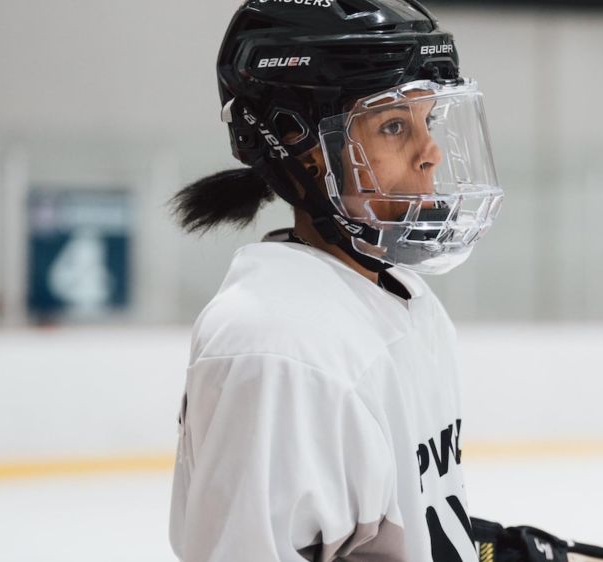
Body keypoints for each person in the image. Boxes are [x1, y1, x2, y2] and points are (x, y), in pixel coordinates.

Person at [167, 2, 503, 561]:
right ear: (299, 145)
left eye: (429, 120)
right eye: (394, 125)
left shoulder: (400, 297)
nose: (432, 153)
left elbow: (393, 523)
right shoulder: (276, 345)